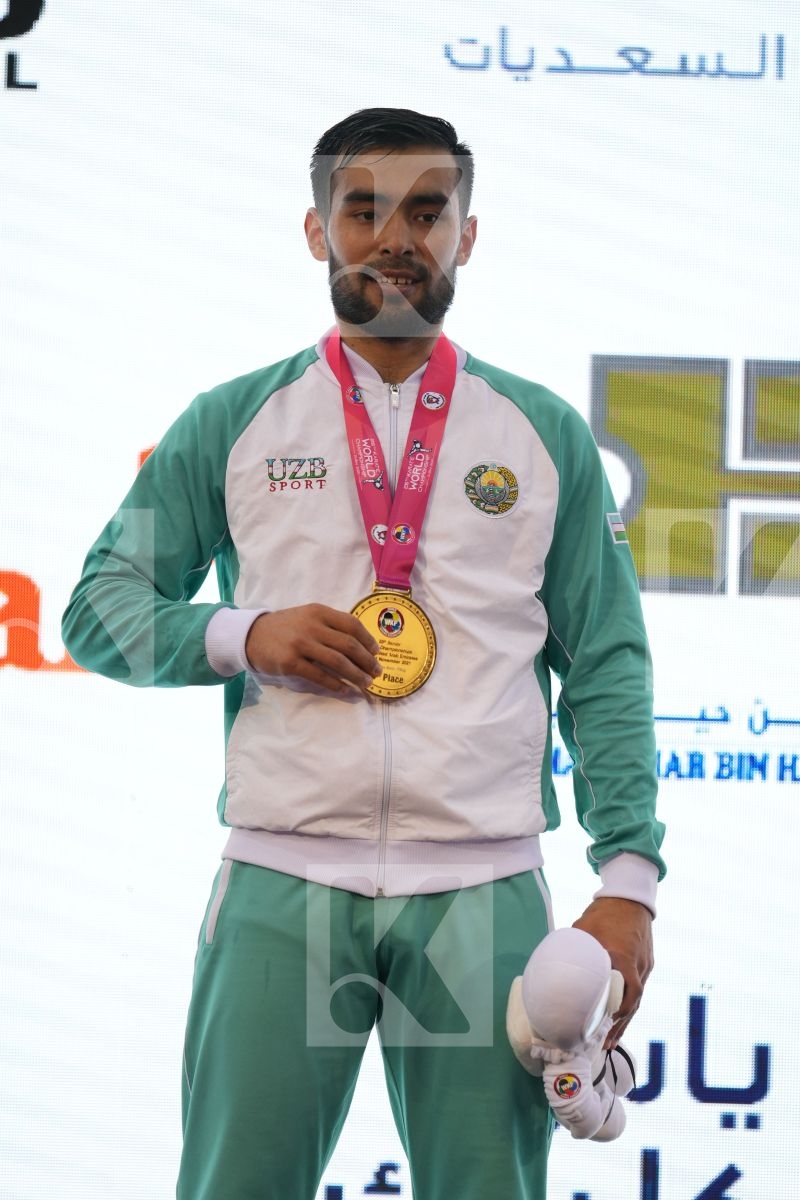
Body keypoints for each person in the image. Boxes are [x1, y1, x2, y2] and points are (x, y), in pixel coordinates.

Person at [62, 107, 666, 1200]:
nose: (395, 237)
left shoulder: (539, 435)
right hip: (281, 883)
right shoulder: (232, 422)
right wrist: (243, 634)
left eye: (426, 212)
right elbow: (98, 608)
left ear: (466, 236)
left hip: (479, 891)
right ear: (315, 230)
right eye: (363, 209)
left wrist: (628, 879)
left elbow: (607, 663)